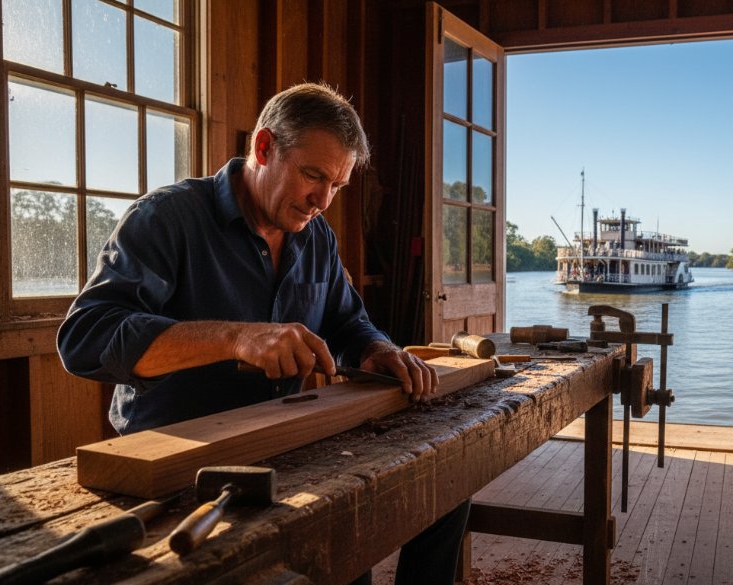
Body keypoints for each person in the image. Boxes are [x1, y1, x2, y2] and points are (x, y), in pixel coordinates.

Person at [57, 82, 468, 585]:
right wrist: (234, 338)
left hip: (283, 448)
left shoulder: (314, 234)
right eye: (313, 175)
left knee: (439, 491)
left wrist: (375, 347)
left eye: (337, 185)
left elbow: (346, 320)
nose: (322, 200)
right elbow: (84, 337)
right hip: (171, 467)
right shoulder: (167, 218)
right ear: (265, 147)